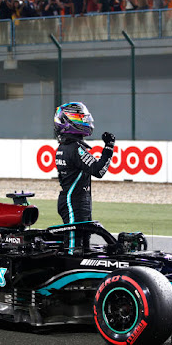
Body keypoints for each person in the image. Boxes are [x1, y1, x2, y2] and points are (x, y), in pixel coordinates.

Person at [54, 102, 115, 253]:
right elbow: (99, 170)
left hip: (77, 200)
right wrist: (108, 147)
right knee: (74, 248)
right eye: (79, 117)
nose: (85, 121)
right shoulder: (74, 148)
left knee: (83, 245)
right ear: (67, 121)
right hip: (73, 201)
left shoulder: (67, 146)